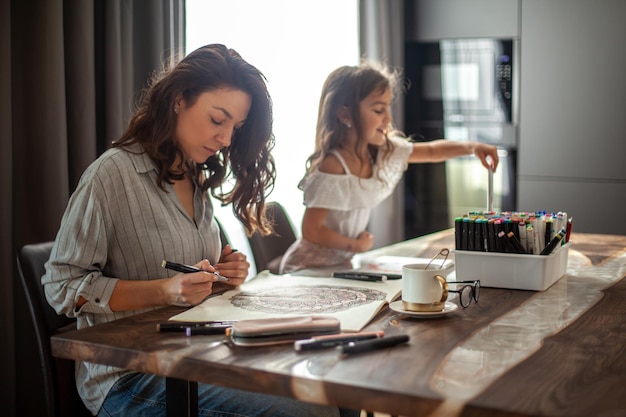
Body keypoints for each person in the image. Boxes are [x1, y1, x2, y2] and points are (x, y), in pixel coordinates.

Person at [42, 44, 358, 417]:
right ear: (179, 100)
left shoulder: (195, 175)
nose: (225, 139)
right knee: (308, 412)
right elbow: (61, 289)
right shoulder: (112, 176)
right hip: (130, 376)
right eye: (217, 120)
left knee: (339, 388)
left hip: (197, 355)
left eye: (235, 128)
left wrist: (227, 271)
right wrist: (165, 290)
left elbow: (195, 276)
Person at [279, 62, 500, 274]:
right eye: (378, 110)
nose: (388, 118)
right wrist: (355, 245)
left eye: (387, 108)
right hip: (306, 268)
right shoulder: (334, 164)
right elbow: (311, 230)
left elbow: (432, 151)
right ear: (345, 114)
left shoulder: (381, 152)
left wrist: (473, 147)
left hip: (339, 265)